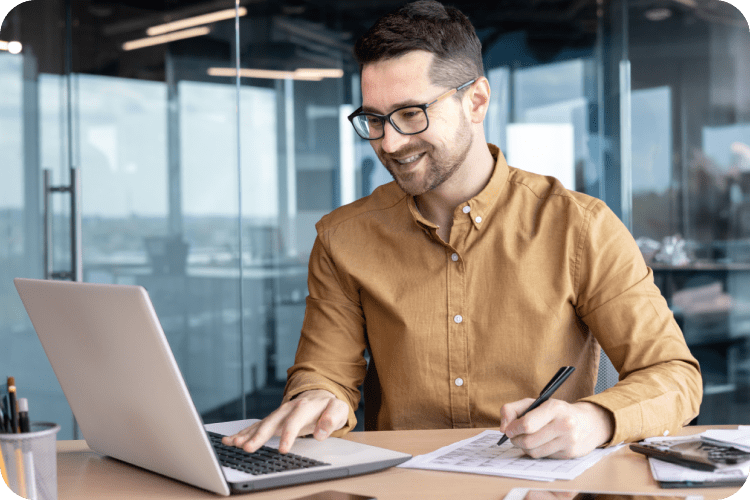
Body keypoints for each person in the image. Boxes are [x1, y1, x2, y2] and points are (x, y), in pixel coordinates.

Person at [224, 0, 702, 459]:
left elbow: (674, 375)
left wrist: (595, 419)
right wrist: (317, 397)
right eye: (373, 119)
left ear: (475, 101)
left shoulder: (580, 227)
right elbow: (323, 371)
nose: (390, 142)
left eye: (411, 113)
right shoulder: (342, 236)